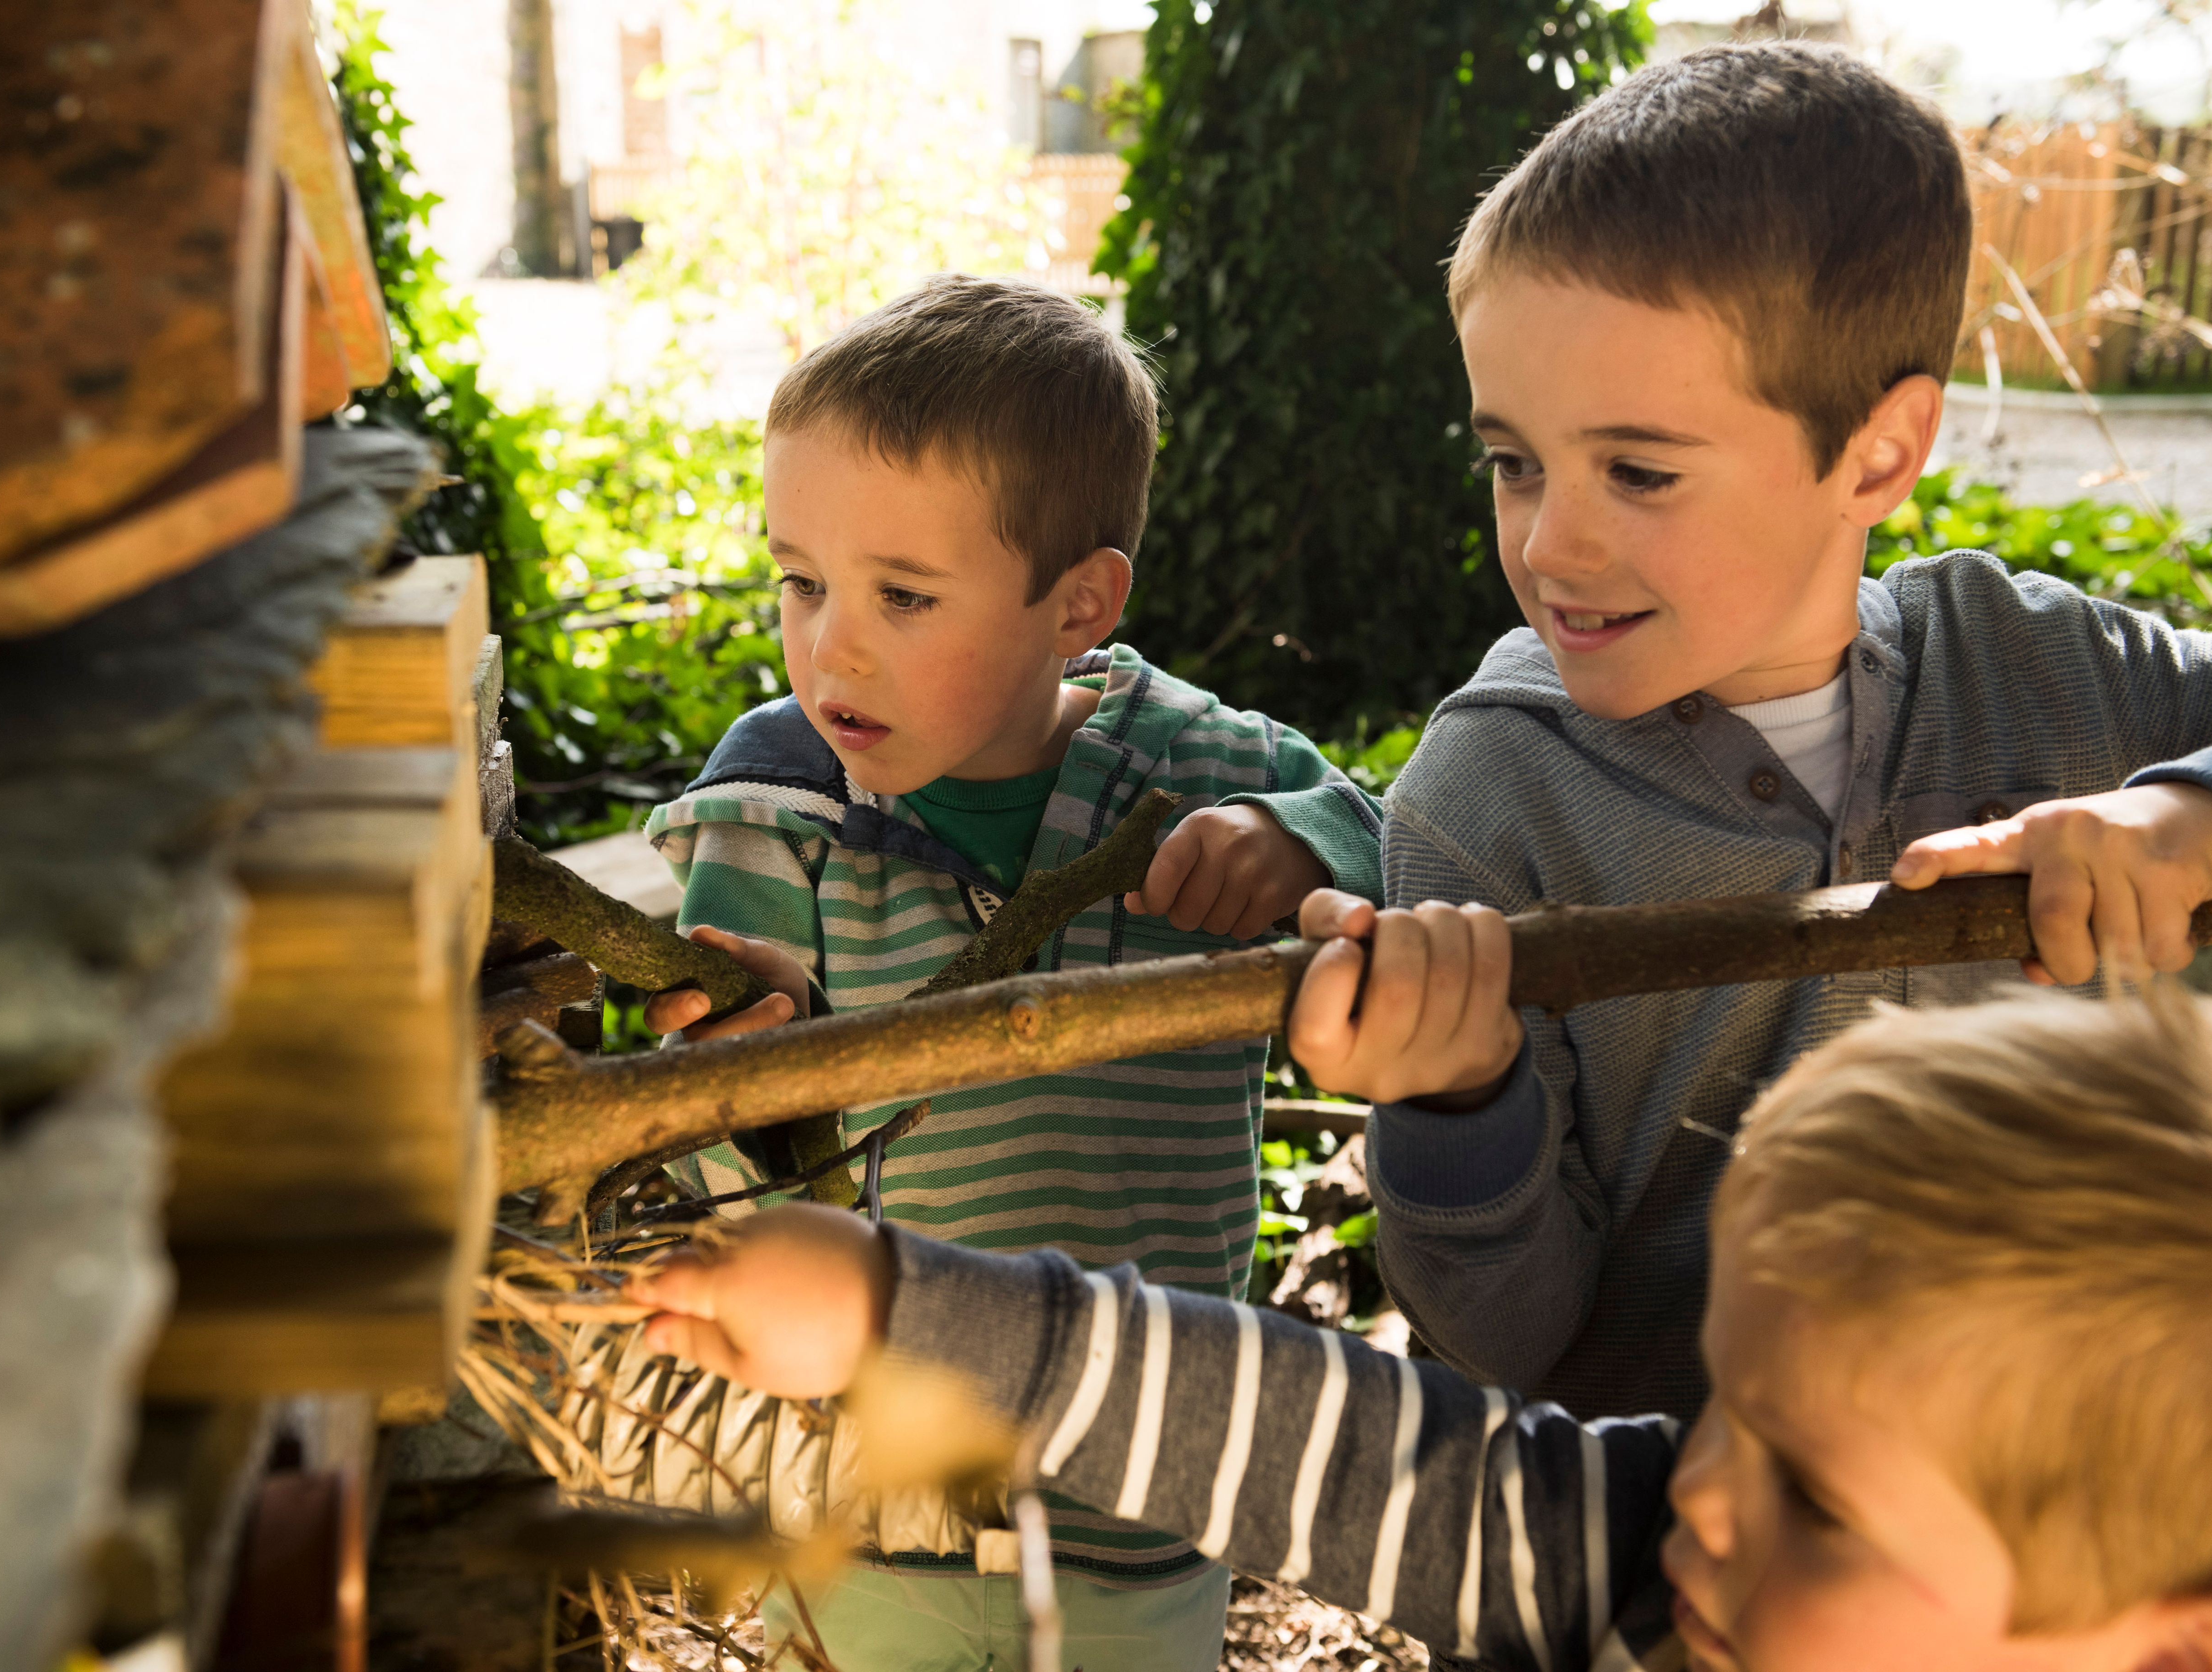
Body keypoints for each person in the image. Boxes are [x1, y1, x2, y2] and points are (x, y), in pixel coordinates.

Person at [1273, 40, 2212, 1420]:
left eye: (1639, 471)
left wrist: (2186, 810)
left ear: (1879, 455)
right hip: (1693, 1577)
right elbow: (1506, 1344)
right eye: (1513, 462)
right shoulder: (1491, 800)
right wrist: (1460, 1101)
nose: (1550, 540)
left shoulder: (2061, 677)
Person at [625, 988, 2212, 1672]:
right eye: (1729, 1402)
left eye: (1823, 1502)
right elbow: (1325, 1448)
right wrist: (907, 1309)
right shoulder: (1637, 1557)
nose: (1702, 1486)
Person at [635, 273, 1384, 1670]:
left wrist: (1304, 845)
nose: (829, 645)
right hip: (873, 1504)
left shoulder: (1208, 776)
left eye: (903, 595)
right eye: (801, 581)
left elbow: (1408, 865)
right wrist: (740, 1076)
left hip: (1150, 1481)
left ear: (1078, 606)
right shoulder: (778, 816)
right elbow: (732, 1195)